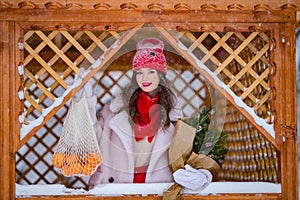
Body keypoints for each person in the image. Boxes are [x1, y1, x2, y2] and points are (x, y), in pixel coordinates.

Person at [72, 38, 212, 190]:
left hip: (157, 191)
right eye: (139, 72)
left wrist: (203, 175)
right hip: (116, 190)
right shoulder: (115, 111)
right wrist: (84, 101)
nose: (145, 78)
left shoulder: (175, 116)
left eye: (151, 71)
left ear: (160, 75)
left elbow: (195, 157)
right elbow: (91, 138)